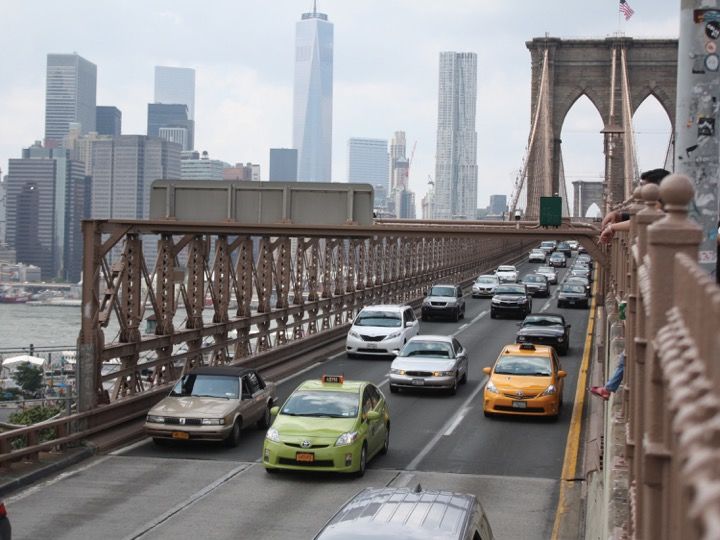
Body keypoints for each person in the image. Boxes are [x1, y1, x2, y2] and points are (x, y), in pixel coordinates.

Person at [599, 168, 670, 244]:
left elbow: (643, 221)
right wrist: (618, 216)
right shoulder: (661, 208)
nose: (640, 191)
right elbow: (639, 218)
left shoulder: (666, 212)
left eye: (644, 188)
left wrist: (612, 227)